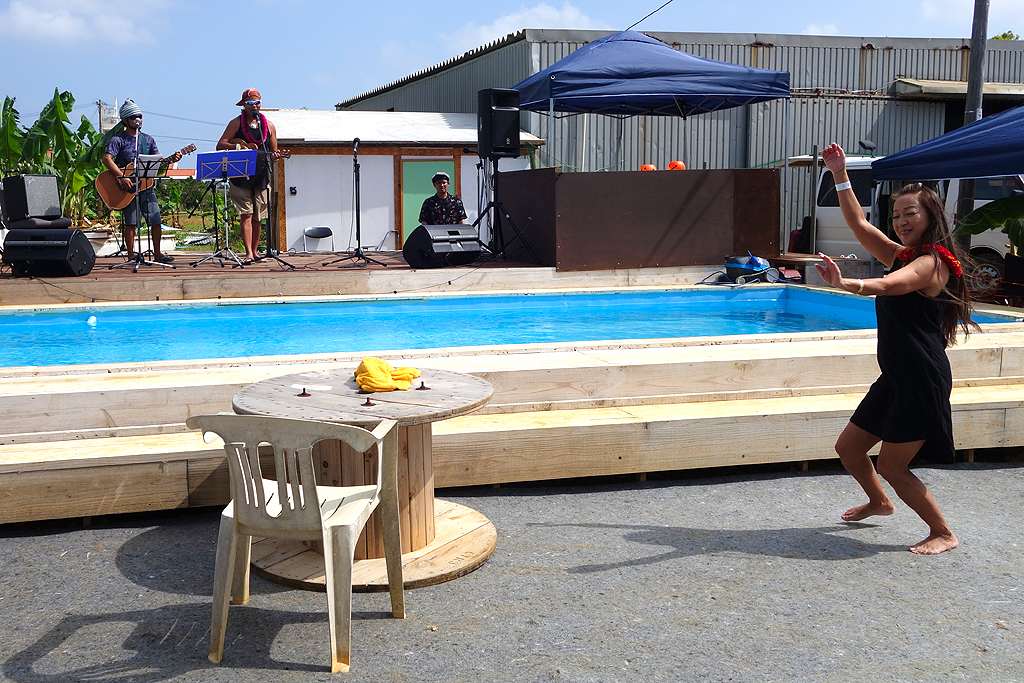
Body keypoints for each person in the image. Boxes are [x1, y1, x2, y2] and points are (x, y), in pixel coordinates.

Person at [814, 142, 977, 555]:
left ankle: (943, 532)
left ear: (931, 216)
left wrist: (845, 283)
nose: (901, 221)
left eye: (911, 214)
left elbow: (889, 286)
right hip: (896, 377)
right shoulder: (903, 254)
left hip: (921, 379)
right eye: (897, 215)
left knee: (891, 464)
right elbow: (859, 225)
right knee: (849, 449)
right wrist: (839, 174)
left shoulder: (932, 262)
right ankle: (880, 502)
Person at [102, 100, 180, 263]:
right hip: (127, 188)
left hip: (146, 186)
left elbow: (158, 161)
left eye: (140, 116)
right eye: (134, 117)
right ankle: (131, 255)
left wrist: (173, 159)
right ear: (125, 120)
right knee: (131, 222)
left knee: (156, 220)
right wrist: (122, 177)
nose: (138, 120)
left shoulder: (148, 140)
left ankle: (158, 253)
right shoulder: (118, 139)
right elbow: (107, 159)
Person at [217, 88, 284, 264]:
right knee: (246, 214)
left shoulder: (268, 125)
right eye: (250, 103)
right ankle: (247, 253)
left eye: (257, 102)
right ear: (244, 105)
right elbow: (220, 144)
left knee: (258, 216)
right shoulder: (235, 123)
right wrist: (238, 147)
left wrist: (275, 156)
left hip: (261, 174)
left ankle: (255, 252)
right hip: (240, 175)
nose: (254, 105)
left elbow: (273, 151)